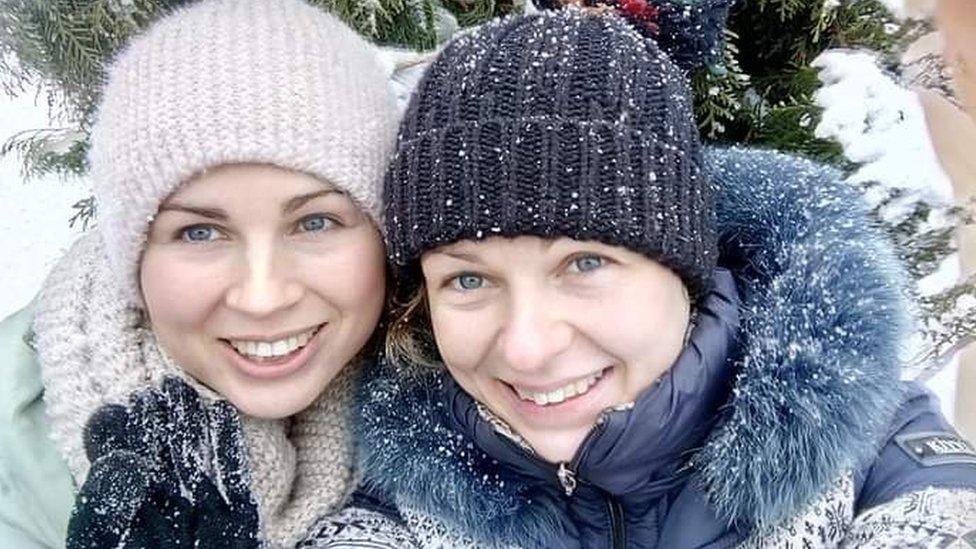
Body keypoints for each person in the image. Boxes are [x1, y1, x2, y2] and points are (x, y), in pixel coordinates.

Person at [352, 9, 976, 547]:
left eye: (585, 264)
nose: (526, 348)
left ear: (685, 269)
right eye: (467, 281)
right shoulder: (396, 486)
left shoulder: (872, 444)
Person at [0, 0, 400, 546]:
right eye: (199, 233)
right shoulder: (16, 460)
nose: (263, 297)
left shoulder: (475, 387)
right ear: (133, 256)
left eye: (315, 222)